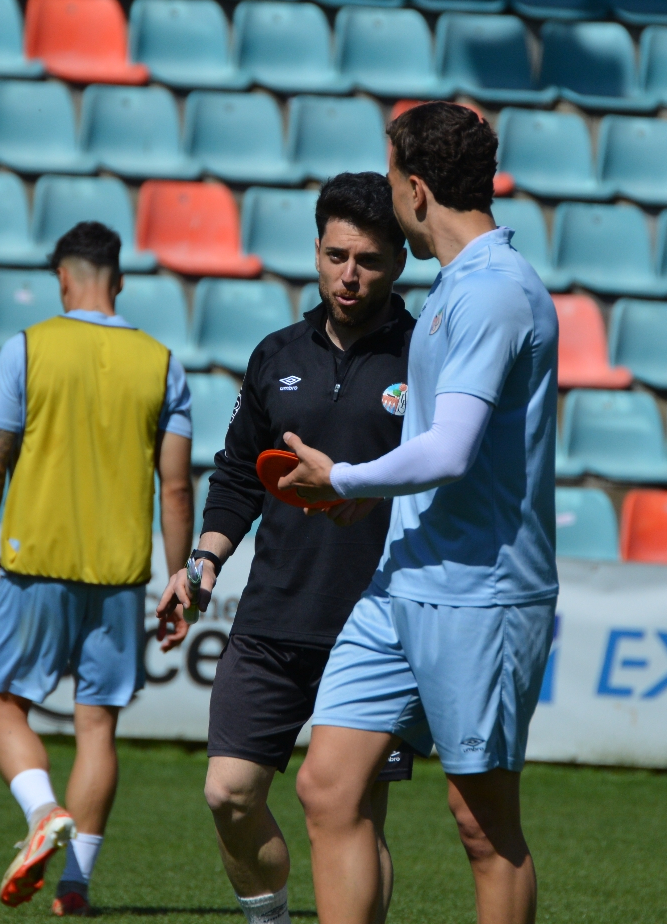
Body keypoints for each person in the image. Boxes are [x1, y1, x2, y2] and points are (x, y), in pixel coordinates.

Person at [279, 102, 560, 924]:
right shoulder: (456, 287)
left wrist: (346, 480)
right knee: (327, 785)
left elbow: (449, 450)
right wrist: (361, 494)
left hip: (481, 593)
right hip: (403, 580)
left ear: (416, 187)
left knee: (482, 825)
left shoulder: (495, 293)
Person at [154, 171, 417, 924]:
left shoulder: (425, 359)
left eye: (367, 258)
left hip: (373, 625)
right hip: (271, 618)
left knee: (354, 816)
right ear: (315, 249)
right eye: (336, 255)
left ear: (398, 259)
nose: (349, 273)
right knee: (227, 792)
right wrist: (202, 562)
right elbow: (238, 473)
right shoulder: (274, 354)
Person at [0, 220, 195, 917]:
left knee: (1, 699)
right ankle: (74, 887)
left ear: (63, 279)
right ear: (117, 281)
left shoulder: (27, 348)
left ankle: (41, 812)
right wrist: (178, 578)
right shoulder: (162, 362)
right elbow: (176, 489)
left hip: (38, 557)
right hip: (120, 571)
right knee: (98, 727)